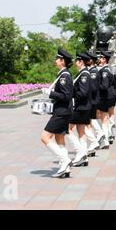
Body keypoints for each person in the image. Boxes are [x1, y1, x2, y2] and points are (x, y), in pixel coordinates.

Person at [40, 48, 74, 178]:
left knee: (44, 137)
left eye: (57, 59)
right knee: (60, 138)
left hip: (62, 112)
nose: (55, 61)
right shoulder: (63, 74)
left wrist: (50, 93)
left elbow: (65, 96)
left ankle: (65, 160)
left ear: (62, 61)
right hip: (63, 111)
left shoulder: (64, 76)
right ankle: (64, 168)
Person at [66, 52, 92, 167]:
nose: (75, 63)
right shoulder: (82, 73)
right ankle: (84, 155)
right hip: (83, 107)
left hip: (81, 107)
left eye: (77, 61)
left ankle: (80, 152)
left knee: (67, 128)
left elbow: (83, 92)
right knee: (81, 132)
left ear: (81, 61)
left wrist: (72, 93)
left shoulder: (84, 74)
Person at [85, 51, 104, 152]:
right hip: (92, 100)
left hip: (92, 100)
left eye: (87, 59)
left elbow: (92, 88)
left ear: (91, 60)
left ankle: (98, 136)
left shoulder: (93, 72)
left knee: (88, 121)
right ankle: (99, 135)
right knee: (90, 120)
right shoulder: (92, 71)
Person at [97, 50, 115, 149]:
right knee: (105, 119)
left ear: (104, 59)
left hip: (104, 97)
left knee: (103, 119)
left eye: (100, 58)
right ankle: (107, 137)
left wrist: (95, 85)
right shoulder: (108, 69)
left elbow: (104, 86)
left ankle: (105, 141)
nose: (99, 59)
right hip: (107, 97)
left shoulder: (104, 71)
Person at [108, 53, 116, 142]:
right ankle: (111, 133)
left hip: (107, 94)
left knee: (105, 116)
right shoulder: (115, 69)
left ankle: (109, 134)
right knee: (111, 114)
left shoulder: (107, 69)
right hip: (114, 93)